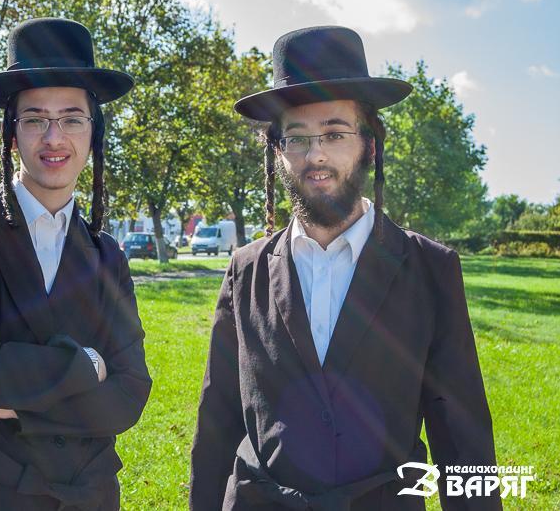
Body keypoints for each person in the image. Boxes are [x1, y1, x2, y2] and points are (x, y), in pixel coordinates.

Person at [190, 26, 500, 510]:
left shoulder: (430, 269)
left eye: (335, 134)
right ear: (278, 152)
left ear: (369, 145)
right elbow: (218, 421)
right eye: (297, 138)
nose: (316, 155)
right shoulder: (245, 270)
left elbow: (462, 438)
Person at [0, 17, 151, 510]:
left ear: (94, 133)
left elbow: (129, 394)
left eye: (72, 119)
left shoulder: (108, 255)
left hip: (86, 495)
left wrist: (11, 399)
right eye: (36, 119)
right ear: (12, 133)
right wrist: (88, 365)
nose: (54, 138)